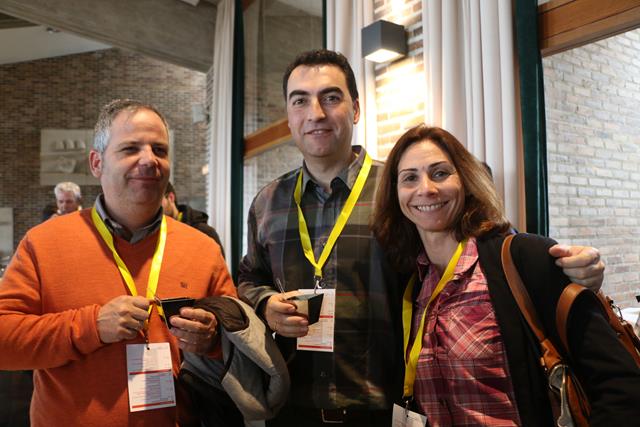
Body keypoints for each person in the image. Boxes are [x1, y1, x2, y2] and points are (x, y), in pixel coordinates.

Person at [237, 49, 606, 426]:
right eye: (300, 100)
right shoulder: (268, 202)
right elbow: (250, 277)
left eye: (331, 97)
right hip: (292, 409)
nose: (316, 113)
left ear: (356, 109)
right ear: (289, 115)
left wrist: (567, 272)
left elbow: (484, 249)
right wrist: (265, 303)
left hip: (387, 409)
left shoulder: (402, 189)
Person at [371, 124, 640, 426]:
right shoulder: (411, 282)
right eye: (410, 178)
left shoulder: (524, 259)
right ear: (395, 193)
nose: (426, 189)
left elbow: (621, 384)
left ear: (466, 181)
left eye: (440, 173)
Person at [0, 99, 236, 427]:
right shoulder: (43, 243)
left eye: (159, 149)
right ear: (96, 163)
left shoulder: (203, 249)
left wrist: (211, 341)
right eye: (130, 149)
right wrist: (92, 327)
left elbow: (236, 339)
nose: (149, 160)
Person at [163, 181, 224, 257]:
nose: (154, 209)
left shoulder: (205, 232)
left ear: (171, 197)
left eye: (158, 201)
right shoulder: (158, 233)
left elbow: (218, 263)